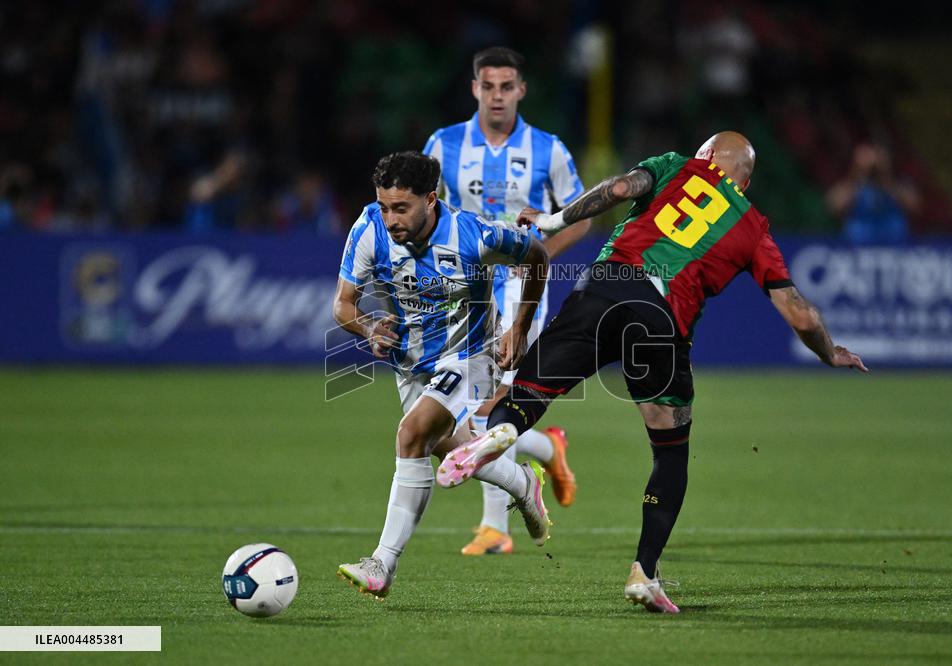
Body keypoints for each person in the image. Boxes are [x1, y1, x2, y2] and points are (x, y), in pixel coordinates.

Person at [436, 131, 869, 613]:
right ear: (744, 182)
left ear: (705, 157)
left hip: (602, 287)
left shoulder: (675, 165)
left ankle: (500, 435)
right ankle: (644, 572)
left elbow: (618, 190)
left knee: (528, 393)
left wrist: (549, 219)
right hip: (659, 317)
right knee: (670, 452)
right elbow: (800, 314)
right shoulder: (753, 226)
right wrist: (829, 352)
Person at [332, 151, 552, 598]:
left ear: (430, 200)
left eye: (401, 208)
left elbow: (538, 257)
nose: (390, 218)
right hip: (411, 363)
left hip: (474, 356)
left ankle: (382, 564)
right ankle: (522, 481)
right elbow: (342, 305)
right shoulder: (369, 228)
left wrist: (520, 326)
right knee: (445, 448)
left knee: (411, 434)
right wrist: (370, 326)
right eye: (384, 206)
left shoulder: (474, 235)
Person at [423, 46, 592, 556]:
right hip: (464, 287)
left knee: (495, 400)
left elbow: (582, 214)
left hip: (521, 293)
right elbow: (426, 210)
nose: (497, 95)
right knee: (477, 409)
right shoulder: (443, 144)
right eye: (488, 86)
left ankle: (496, 528)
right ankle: (547, 447)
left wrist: (539, 252)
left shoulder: (549, 149)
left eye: (507, 86)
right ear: (475, 88)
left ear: (521, 90)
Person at [826, 143, 920, 244]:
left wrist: (885, 177)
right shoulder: (850, 185)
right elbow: (834, 206)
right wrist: (859, 174)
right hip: (858, 247)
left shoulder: (898, 183)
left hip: (895, 246)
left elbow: (915, 207)